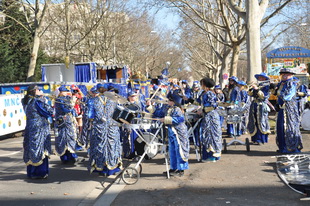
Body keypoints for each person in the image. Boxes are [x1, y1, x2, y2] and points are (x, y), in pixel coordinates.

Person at [146, 91, 189, 176]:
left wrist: (165, 119)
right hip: (171, 132)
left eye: (169, 100)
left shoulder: (177, 109)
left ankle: (181, 170)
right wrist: (149, 106)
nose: (168, 101)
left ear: (174, 101)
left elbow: (180, 119)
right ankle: (173, 168)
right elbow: (158, 113)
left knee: (179, 150)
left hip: (178, 132)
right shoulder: (167, 107)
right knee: (172, 151)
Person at [87, 83, 122, 176]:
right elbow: (118, 114)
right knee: (112, 147)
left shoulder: (92, 101)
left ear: (98, 90)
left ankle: (101, 168)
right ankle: (112, 168)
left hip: (99, 128)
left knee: (100, 147)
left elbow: (89, 116)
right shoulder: (113, 100)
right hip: (112, 127)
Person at [22, 84, 54, 179]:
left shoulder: (26, 101)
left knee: (31, 147)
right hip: (39, 128)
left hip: (30, 127)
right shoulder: (37, 101)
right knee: (39, 148)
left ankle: (31, 172)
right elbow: (49, 112)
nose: (40, 91)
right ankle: (39, 172)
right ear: (34, 91)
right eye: (38, 90)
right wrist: (44, 99)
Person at [273, 68, 303, 153]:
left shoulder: (292, 83)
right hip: (281, 109)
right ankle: (282, 147)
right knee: (280, 128)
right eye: (283, 74)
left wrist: (279, 94)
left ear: (291, 75)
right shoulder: (281, 83)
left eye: (287, 74)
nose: (284, 75)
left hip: (289, 109)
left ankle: (291, 148)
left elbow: (288, 96)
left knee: (289, 127)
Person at [198, 77, 222, 162]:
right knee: (206, 136)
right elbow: (197, 102)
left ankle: (212, 156)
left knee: (212, 136)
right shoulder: (203, 93)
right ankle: (206, 155)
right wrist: (187, 99)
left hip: (211, 117)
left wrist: (202, 110)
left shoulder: (210, 94)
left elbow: (213, 106)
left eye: (202, 84)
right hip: (206, 117)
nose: (200, 85)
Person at [54, 85, 78, 163]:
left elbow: (72, 109)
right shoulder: (59, 100)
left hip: (69, 121)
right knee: (62, 139)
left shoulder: (66, 98)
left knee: (71, 138)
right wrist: (72, 104)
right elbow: (65, 110)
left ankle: (72, 155)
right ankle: (64, 157)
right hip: (62, 122)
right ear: (61, 92)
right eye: (64, 91)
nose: (66, 93)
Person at [247, 73, 271, 145]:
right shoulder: (258, 85)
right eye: (259, 78)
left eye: (261, 78)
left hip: (261, 106)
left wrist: (257, 90)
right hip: (254, 105)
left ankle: (261, 139)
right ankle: (254, 138)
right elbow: (250, 94)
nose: (260, 79)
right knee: (254, 121)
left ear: (265, 79)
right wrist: (251, 89)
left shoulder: (267, 86)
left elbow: (264, 96)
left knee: (261, 121)